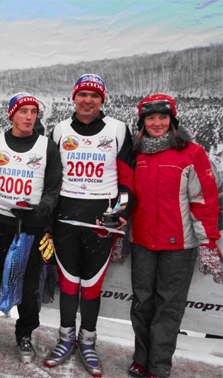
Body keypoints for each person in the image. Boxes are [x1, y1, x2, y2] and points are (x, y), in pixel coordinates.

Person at [45, 74, 135, 377]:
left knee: (92, 286)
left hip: (100, 222)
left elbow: (127, 180)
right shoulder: (58, 130)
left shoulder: (118, 130)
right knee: (69, 284)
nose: (87, 100)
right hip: (66, 220)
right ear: (73, 98)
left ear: (102, 100)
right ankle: (65, 338)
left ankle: (88, 341)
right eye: (82, 94)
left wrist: (122, 211)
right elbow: (50, 177)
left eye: (94, 96)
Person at [127, 95, 220, 378]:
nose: (157, 123)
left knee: (168, 307)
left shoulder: (192, 153)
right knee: (142, 304)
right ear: (142, 122)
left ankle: (159, 365)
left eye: (163, 117)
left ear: (173, 120)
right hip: (142, 241)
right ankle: (141, 357)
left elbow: (203, 200)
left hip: (179, 245)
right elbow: (127, 199)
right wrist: (121, 234)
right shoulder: (136, 154)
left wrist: (208, 243)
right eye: (150, 118)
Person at [0, 93, 62, 363]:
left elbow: (53, 186)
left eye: (33, 111)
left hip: (32, 223)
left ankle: (24, 332)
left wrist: (44, 208)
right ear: (12, 114)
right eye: (23, 111)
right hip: (3, 222)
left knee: (27, 283)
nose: (28, 117)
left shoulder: (47, 146)